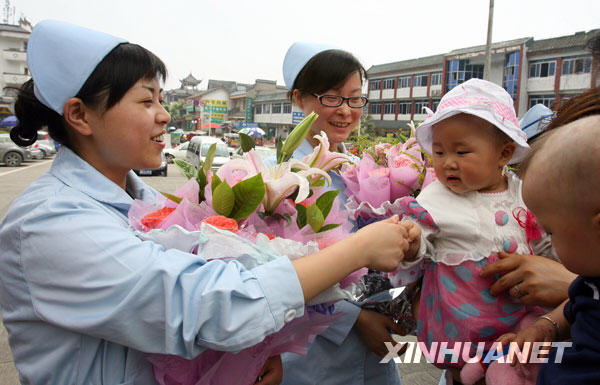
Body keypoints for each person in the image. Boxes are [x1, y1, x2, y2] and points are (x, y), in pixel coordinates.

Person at [0, 21, 412, 385]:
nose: (165, 115)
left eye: (162, 100)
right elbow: (203, 305)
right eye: (147, 101)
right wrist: (355, 254)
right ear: (79, 115)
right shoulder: (50, 222)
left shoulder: (145, 202)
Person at [397, 79, 556, 385]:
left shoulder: (526, 193)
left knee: (527, 346)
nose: (449, 164)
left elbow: (546, 242)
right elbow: (419, 237)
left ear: (504, 153)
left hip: (520, 314)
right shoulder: (435, 197)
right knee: (466, 366)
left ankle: (500, 370)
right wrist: (412, 242)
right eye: (440, 153)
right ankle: (473, 371)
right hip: (464, 320)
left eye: (462, 152)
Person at [277, 42, 403, 385]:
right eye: (332, 97)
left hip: (377, 353)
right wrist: (354, 319)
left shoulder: (366, 170)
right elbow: (276, 273)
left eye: (354, 98)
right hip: (315, 356)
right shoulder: (284, 178)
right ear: (297, 98)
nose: (346, 110)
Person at [499, 115, 600, 384]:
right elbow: (577, 305)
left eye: (551, 231)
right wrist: (547, 326)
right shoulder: (590, 280)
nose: (547, 241)